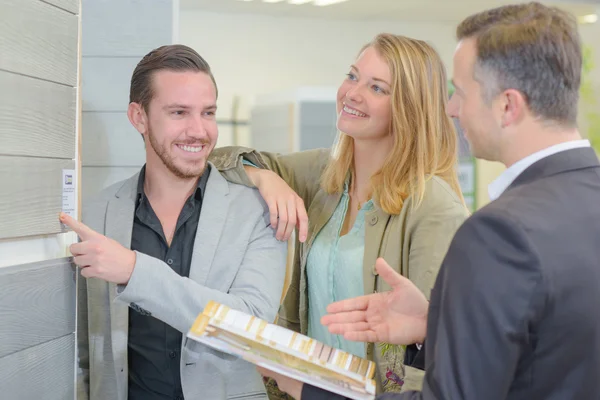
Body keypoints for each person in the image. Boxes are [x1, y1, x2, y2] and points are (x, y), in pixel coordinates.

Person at [260, 2, 600, 399]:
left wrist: (308, 389)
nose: (451, 110)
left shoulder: (499, 231)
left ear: (507, 105)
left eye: (461, 94)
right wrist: (432, 323)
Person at [210, 33, 469, 395]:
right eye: (352, 76)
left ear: (410, 107)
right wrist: (264, 176)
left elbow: (441, 350)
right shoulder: (322, 175)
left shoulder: (432, 204)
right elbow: (217, 161)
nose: (353, 93)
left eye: (378, 88)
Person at [68, 44, 287, 400]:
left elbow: (251, 331)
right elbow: (82, 351)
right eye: (179, 112)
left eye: (208, 112)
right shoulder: (97, 213)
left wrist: (135, 271)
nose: (199, 131)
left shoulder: (260, 212)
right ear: (139, 117)